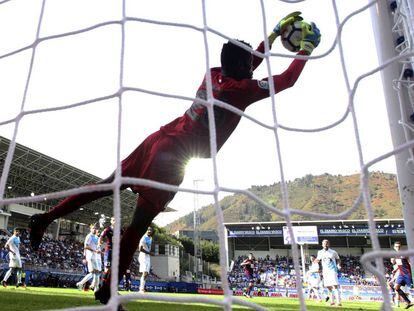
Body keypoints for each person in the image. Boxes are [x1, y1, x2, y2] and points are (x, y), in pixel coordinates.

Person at [28, 11, 321, 305]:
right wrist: (306, 48)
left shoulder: (215, 73)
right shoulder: (239, 90)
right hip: (173, 158)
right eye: (249, 65)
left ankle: (45, 218)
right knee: (138, 224)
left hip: (159, 138)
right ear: (241, 67)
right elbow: (286, 80)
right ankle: (108, 288)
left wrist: (271, 36)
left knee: (107, 184)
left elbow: (248, 61)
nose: (253, 68)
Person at [316, 239, 341, 306]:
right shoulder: (320, 252)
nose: (325, 245)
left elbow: (338, 259)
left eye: (327, 243)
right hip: (325, 271)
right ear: (322, 245)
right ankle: (332, 301)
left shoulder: (333, 252)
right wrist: (314, 262)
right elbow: (318, 260)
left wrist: (338, 265)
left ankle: (338, 302)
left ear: (329, 244)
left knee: (335, 285)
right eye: (324, 243)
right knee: (328, 287)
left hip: (332, 270)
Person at [76, 224, 100, 292]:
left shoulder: (95, 237)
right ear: (90, 229)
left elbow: (96, 246)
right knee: (96, 272)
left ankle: (80, 284)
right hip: (90, 256)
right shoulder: (89, 236)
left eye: (95, 228)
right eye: (93, 228)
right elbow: (86, 246)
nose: (94, 229)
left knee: (94, 273)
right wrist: (94, 251)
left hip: (95, 256)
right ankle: (96, 288)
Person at [391, 241, 413, 309]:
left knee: (412, 288)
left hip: (407, 274)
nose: (398, 248)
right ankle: (408, 302)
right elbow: (399, 264)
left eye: (399, 247)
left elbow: (410, 263)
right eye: (397, 246)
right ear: (394, 247)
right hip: (401, 274)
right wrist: (395, 269)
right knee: (396, 288)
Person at [99, 216, 115, 285]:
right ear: (111, 221)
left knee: (112, 270)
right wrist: (100, 243)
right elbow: (101, 237)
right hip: (109, 251)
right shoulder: (108, 229)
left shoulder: (120, 230)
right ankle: (102, 284)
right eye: (114, 220)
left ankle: (108, 286)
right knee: (107, 268)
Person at [138, 226, 154, 293]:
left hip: (148, 257)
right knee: (144, 272)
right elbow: (140, 249)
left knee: (146, 273)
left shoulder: (150, 238)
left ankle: (142, 288)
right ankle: (141, 289)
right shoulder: (143, 238)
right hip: (143, 256)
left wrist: (150, 252)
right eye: (148, 230)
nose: (149, 231)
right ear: (146, 230)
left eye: (151, 230)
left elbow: (149, 247)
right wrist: (149, 253)